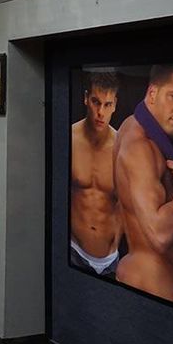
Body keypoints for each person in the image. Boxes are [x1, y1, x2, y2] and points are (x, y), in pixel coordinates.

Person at [112, 64, 173, 302]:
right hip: (154, 280)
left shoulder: (131, 123)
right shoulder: (140, 146)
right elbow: (160, 235)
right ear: (152, 93)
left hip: (141, 271)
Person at [70, 71, 121, 277]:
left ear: (115, 105)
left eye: (107, 105)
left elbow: (128, 205)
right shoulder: (69, 138)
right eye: (95, 102)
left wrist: (117, 244)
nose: (101, 112)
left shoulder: (122, 147)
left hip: (110, 259)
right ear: (85, 98)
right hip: (74, 251)